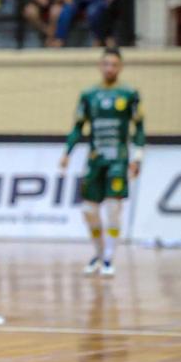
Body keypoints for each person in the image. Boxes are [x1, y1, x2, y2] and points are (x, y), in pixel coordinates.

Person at [59, 48, 144, 277]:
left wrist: (137, 157)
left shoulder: (129, 94)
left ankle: (108, 258)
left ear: (120, 67)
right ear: (100, 66)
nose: (110, 68)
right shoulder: (89, 95)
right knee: (88, 210)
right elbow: (78, 127)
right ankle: (97, 253)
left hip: (118, 159)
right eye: (106, 64)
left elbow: (139, 128)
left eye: (114, 64)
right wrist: (67, 151)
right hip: (95, 160)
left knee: (114, 209)